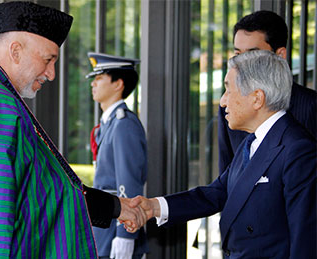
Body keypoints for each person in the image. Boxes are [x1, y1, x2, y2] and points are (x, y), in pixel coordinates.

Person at [0, 2, 145, 258]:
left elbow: (41, 185)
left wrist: (115, 206)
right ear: (15, 51)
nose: (52, 74)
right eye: (48, 59)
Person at [127, 50, 316, 258]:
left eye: (228, 90)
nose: (223, 101)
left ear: (257, 98)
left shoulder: (298, 150)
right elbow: (217, 192)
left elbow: (305, 241)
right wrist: (154, 207)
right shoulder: (253, 141)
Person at [218, 10, 317, 174]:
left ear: (280, 55)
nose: (241, 63)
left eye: (252, 54)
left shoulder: (310, 106)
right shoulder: (228, 106)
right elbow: (225, 178)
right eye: (237, 54)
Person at [87, 53, 149, 259]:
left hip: (117, 227)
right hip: (105, 229)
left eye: (99, 78)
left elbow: (129, 183)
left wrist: (126, 235)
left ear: (118, 84)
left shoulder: (124, 125)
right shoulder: (108, 124)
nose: (93, 84)